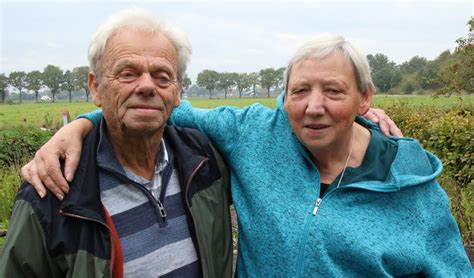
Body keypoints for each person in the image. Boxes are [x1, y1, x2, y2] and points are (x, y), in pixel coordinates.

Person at [22, 34, 472, 277]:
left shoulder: (410, 184)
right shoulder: (253, 132)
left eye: (334, 91)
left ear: (364, 98)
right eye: (300, 90)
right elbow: (156, 103)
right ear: (284, 96)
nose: (314, 106)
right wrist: (83, 123)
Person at [0, 8, 233, 277]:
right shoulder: (52, 189)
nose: (147, 86)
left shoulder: (205, 159)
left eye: (162, 76)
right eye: (128, 73)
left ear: (178, 91)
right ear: (96, 87)